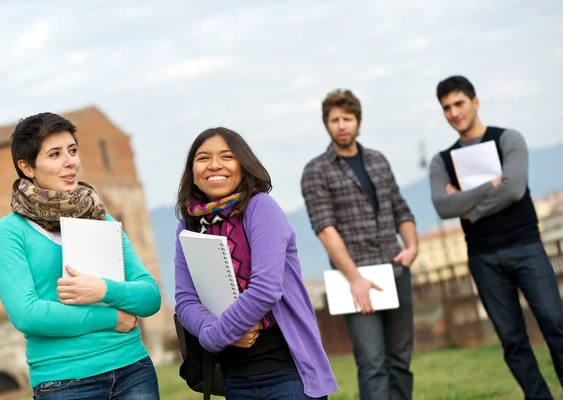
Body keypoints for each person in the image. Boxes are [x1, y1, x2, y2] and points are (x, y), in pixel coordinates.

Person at [0, 113, 162, 400]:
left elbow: (150, 297)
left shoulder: (99, 218)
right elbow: (28, 315)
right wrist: (111, 317)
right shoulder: (9, 232)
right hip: (64, 382)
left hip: (133, 369)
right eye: (55, 154)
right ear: (27, 166)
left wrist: (104, 289)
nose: (70, 161)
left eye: (72, 150)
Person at [174, 127, 338, 400]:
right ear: (192, 170)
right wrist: (215, 334)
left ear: (243, 164)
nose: (214, 165)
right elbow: (185, 300)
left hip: (287, 372)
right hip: (234, 379)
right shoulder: (188, 225)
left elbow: (266, 288)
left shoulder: (260, 207)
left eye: (226, 156)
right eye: (203, 158)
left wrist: (219, 333)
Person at [430, 75, 563, 399]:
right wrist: (490, 186)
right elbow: (443, 205)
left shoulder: (508, 139)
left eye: (459, 103)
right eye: (446, 108)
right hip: (483, 258)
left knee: (555, 325)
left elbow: (514, 189)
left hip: (526, 248)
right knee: (512, 341)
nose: (454, 112)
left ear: (475, 102)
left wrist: (470, 207)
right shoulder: (442, 161)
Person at [300, 89, 418, 400]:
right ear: (326, 125)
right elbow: (324, 228)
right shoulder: (317, 170)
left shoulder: (378, 160)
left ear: (359, 122)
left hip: (395, 268)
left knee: (400, 360)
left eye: (347, 119)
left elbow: (400, 209)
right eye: (334, 120)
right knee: (373, 364)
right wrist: (355, 278)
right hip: (353, 278)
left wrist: (412, 247)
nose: (341, 125)